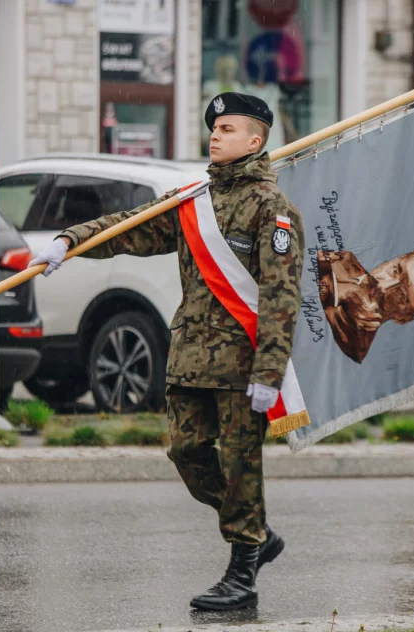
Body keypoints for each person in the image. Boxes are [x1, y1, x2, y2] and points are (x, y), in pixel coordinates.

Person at [29, 92, 305, 612]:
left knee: (243, 467)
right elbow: (131, 228)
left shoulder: (272, 209)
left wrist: (269, 372)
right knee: (186, 452)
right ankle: (256, 532)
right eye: (214, 128)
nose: (215, 135)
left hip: (242, 367)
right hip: (190, 361)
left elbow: (281, 298)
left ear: (255, 140)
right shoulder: (195, 201)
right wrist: (70, 240)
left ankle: (243, 571)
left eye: (227, 128)